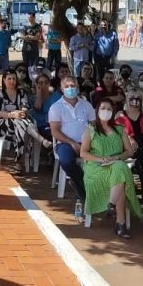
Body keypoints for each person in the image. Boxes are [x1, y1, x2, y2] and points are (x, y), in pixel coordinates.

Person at [82, 98, 143, 238]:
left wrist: (116, 157)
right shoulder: (90, 130)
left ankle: (110, 204)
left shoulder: (120, 130)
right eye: (103, 108)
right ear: (97, 111)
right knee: (120, 175)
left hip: (115, 164)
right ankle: (120, 223)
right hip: (96, 167)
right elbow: (83, 153)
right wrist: (100, 159)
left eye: (109, 109)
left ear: (113, 112)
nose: (106, 111)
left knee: (119, 168)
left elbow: (129, 151)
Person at [49, 77, 97, 221]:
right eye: (67, 86)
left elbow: (94, 125)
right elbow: (55, 131)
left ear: (77, 87)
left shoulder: (86, 105)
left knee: (100, 162)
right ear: (62, 89)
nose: (71, 88)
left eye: (73, 86)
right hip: (65, 143)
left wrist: (87, 141)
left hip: (87, 142)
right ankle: (84, 191)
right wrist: (72, 143)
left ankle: (79, 188)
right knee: (67, 161)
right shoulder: (56, 107)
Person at [0, 70, 51, 173]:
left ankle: (18, 163)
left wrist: (22, 113)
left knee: (20, 125)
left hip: (20, 122)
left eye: (14, 79)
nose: (12, 81)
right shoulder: (0, 94)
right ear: (4, 80)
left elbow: (25, 107)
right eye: (9, 79)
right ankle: (41, 140)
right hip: (5, 124)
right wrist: (12, 114)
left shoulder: (21, 93)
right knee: (21, 125)